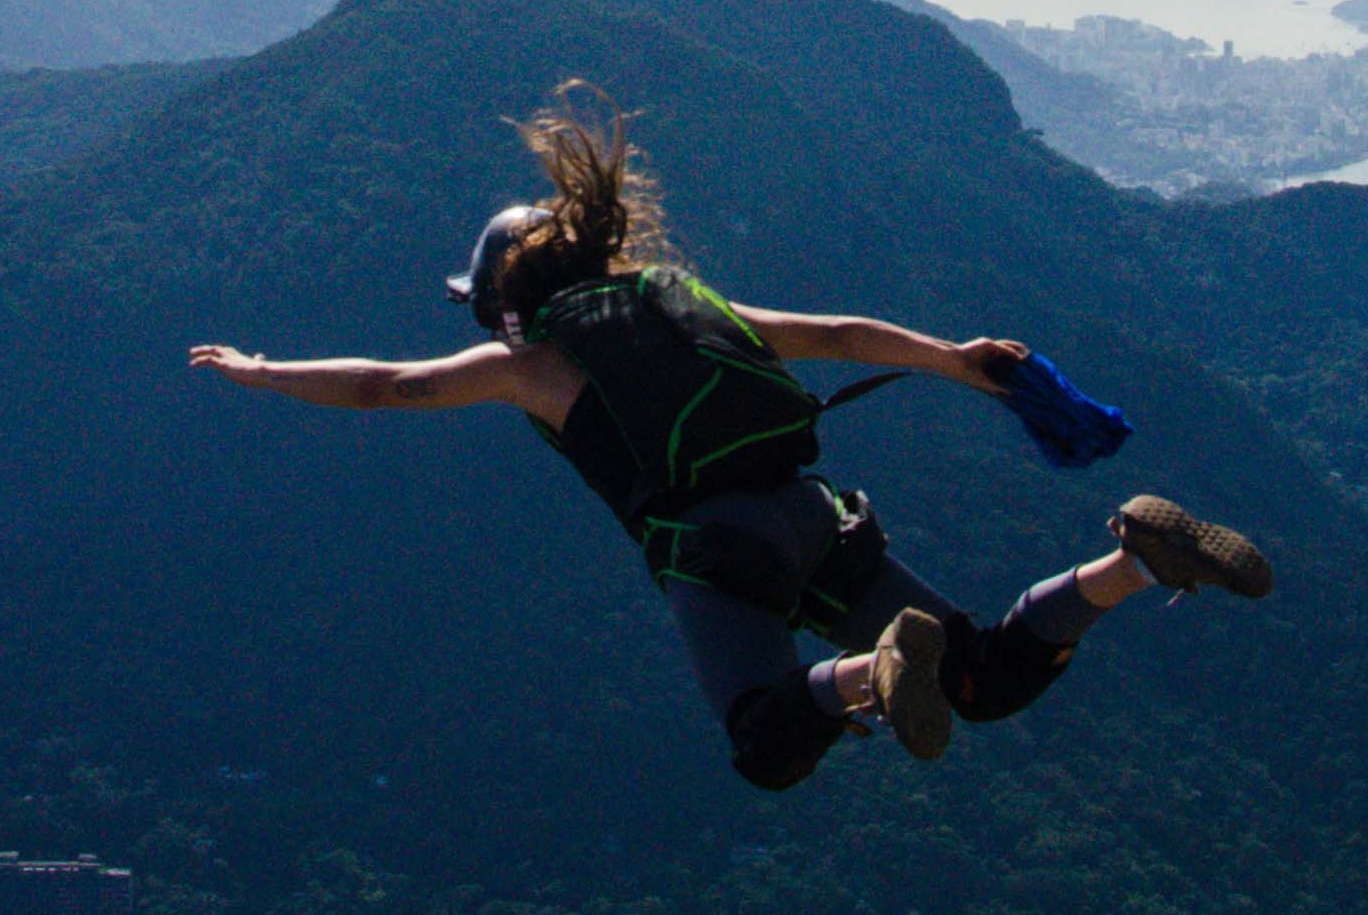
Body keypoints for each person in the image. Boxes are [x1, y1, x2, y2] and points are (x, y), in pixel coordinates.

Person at [187, 82, 1271, 791]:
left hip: (717, 549)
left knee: (766, 735)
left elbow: (385, 386)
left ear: (505, 302)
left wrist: (264, 371)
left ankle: (868, 674)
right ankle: (1133, 560)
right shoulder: (684, 303)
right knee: (982, 676)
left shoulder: (528, 366)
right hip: (817, 514)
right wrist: (957, 357)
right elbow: (842, 333)